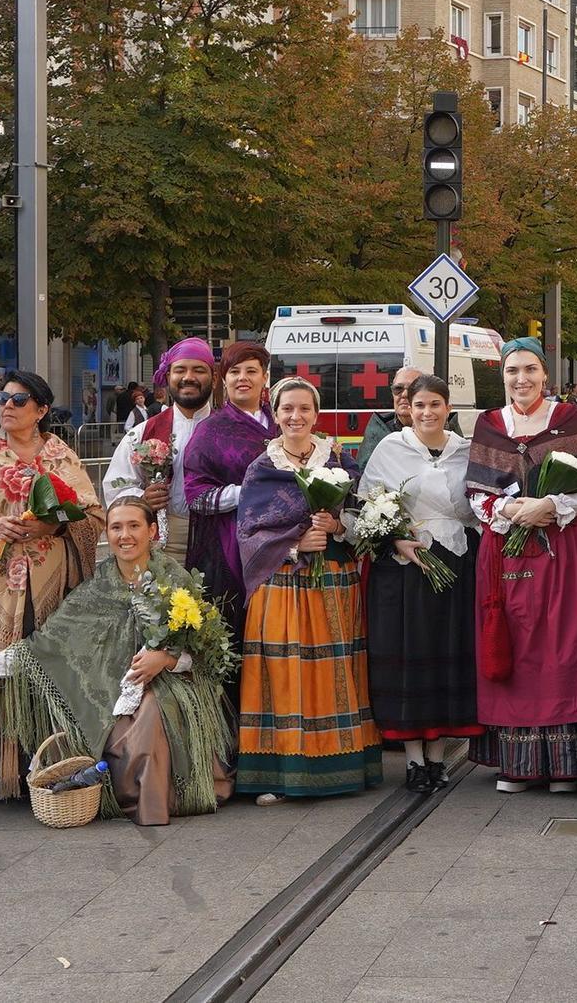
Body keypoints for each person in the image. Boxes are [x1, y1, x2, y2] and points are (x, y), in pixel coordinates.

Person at [0, 496, 233, 824]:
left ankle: (159, 799)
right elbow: (44, 646)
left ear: (152, 531)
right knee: (117, 723)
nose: (124, 535)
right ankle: (120, 792)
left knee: (152, 713)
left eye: (134, 526)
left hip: (174, 682)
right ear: (107, 533)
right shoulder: (95, 589)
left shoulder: (176, 581)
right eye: (116, 527)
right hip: (109, 688)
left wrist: (166, 660)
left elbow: (206, 654)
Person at [0, 368, 104, 806]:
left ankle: (44, 766)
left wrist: (53, 525)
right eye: (2, 399)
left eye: (19, 400)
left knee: (42, 671)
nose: (7, 406)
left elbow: (92, 516)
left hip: (51, 585)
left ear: (41, 410)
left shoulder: (63, 459)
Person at [234, 376, 380, 803]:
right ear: (275, 414)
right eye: (287, 409)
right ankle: (280, 772)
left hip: (333, 579)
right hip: (280, 582)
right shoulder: (261, 468)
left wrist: (337, 526)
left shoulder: (340, 460)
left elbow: (365, 514)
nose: (295, 416)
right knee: (284, 673)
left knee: (333, 671)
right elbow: (248, 533)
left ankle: (342, 765)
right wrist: (296, 544)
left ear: (316, 415)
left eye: (304, 409)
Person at [465, 337, 577, 792]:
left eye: (529, 370)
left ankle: (564, 765)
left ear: (545, 374)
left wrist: (549, 505)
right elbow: (476, 493)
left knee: (563, 645)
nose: (521, 379)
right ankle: (517, 763)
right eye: (512, 371)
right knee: (514, 643)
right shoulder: (489, 425)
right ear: (503, 376)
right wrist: (507, 509)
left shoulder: (568, 419)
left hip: (561, 548)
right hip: (506, 549)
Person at [358, 374, 481, 794]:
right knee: (409, 654)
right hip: (405, 567)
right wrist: (395, 538)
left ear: (448, 408)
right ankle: (413, 760)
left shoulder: (465, 451)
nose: (427, 412)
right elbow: (368, 504)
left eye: (435, 404)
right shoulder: (390, 448)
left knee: (446, 653)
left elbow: (478, 506)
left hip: (455, 562)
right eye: (419, 405)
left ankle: (438, 757)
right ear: (407, 409)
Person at [183, 340, 278, 649]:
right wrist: (247, 493)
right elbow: (196, 494)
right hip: (229, 546)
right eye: (234, 371)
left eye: (251, 371)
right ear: (223, 379)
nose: (242, 378)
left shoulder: (282, 423)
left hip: (283, 544)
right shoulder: (210, 431)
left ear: (265, 377)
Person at [103, 338, 216, 561]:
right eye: (180, 370)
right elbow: (116, 487)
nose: (188, 377)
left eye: (199, 370)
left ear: (214, 378)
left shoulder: (231, 432)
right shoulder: (142, 433)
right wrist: (142, 498)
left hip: (218, 545)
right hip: (160, 547)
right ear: (167, 377)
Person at [360, 365, 423, 459]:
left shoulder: (441, 430)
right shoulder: (378, 431)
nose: (404, 394)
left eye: (413, 389)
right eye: (398, 389)